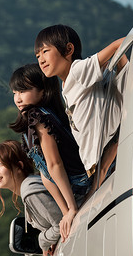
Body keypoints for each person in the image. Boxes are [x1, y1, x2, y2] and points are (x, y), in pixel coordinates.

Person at [34, 24, 129, 186]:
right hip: (94, 163)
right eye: (37, 56)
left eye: (45, 51)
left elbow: (117, 45)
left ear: (68, 49)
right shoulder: (67, 84)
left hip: (105, 158)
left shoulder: (77, 70)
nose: (41, 59)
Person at [8, 64, 90, 241]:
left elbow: (55, 164)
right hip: (74, 184)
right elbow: (45, 172)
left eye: (23, 91)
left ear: (43, 91)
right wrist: (65, 212)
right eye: (15, 92)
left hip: (79, 183)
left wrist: (71, 209)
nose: (18, 98)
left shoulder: (37, 117)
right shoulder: (35, 119)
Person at [0, 140, 61, 256]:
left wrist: (42, 241)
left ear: (19, 167)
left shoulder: (31, 191)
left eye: (0, 164)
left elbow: (61, 223)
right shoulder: (32, 184)